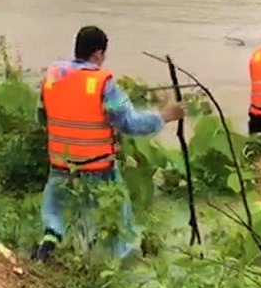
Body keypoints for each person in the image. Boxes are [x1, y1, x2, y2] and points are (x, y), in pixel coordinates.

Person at [33, 26, 185, 262]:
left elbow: (41, 117)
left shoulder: (52, 76)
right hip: (98, 168)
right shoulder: (103, 82)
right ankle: (115, 263)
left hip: (61, 163)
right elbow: (130, 122)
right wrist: (165, 115)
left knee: (55, 211)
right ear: (98, 54)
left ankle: (50, 240)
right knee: (115, 220)